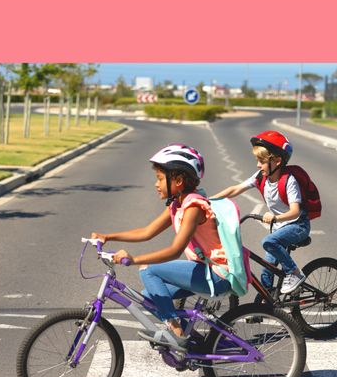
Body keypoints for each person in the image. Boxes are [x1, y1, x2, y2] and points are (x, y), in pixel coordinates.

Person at [91, 144, 233, 350]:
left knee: (149, 270)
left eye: (159, 178)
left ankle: (176, 333)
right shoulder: (178, 204)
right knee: (149, 297)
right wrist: (108, 236)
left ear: (178, 180)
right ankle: (191, 340)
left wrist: (134, 260)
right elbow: (147, 232)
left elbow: (175, 250)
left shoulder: (193, 207)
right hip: (204, 271)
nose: (156, 184)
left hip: (218, 274)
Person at [210, 130, 309, 295]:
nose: (257, 165)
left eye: (261, 161)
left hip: (297, 226)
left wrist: (275, 217)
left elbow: (295, 211)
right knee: (267, 269)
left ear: (277, 161)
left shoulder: (289, 181)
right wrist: (208, 200)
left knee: (268, 242)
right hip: (280, 228)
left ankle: (294, 273)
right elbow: (235, 189)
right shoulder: (260, 177)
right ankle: (266, 302)